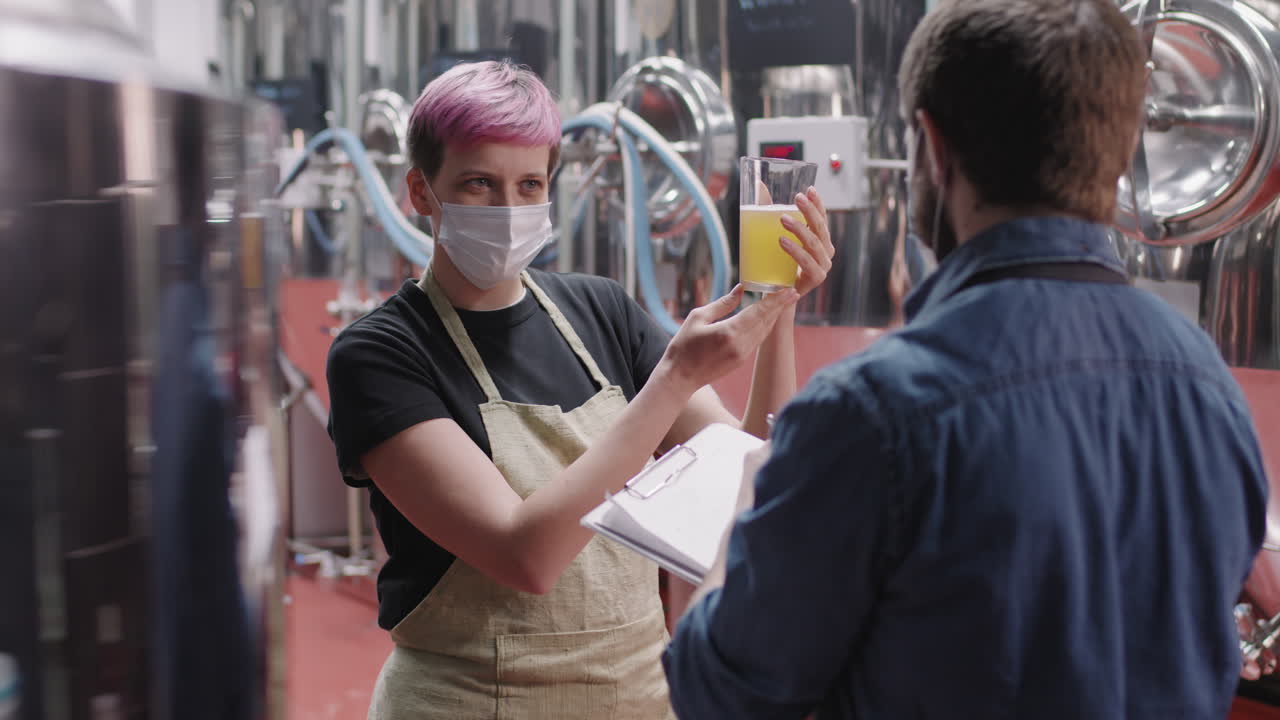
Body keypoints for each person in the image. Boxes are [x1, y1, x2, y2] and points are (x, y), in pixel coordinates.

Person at [663, 1, 1269, 717]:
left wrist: (747, 491)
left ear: (931, 148)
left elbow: (721, 691)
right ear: (1122, 146)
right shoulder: (1208, 387)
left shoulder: (872, 413)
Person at [324, 60, 834, 719]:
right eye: (480, 184)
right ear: (421, 192)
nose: (510, 210)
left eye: (530, 184)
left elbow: (752, 473)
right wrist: (675, 378)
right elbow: (525, 555)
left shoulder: (602, 313)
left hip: (638, 699)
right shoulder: (380, 354)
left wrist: (780, 306)